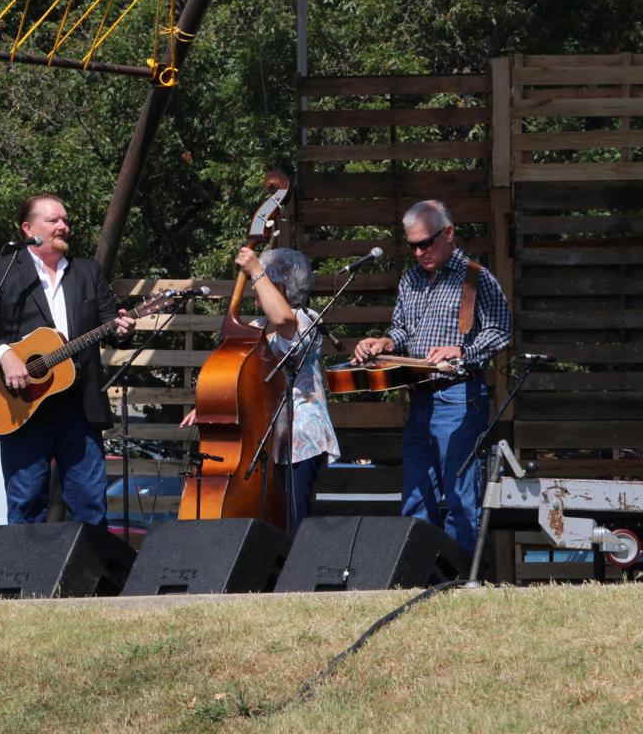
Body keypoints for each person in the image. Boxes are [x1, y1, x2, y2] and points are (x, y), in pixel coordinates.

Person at [0, 194, 136, 526]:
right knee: (26, 506)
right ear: (28, 229)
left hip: (79, 407)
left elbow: (111, 327)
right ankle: (25, 578)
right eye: (54, 220)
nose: (63, 226)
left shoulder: (87, 271)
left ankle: (85, 577)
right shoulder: (4, 269)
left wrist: (122, 329)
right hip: (22, 407)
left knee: (90, 505)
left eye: (65, 220)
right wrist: (5, 354)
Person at [353, 199, 511, 556]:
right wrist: (384, 341)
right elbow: (402, 331)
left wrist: (463, 351)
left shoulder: (475, 277)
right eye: (413, 245)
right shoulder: (409, 280)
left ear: (449, 234)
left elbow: (502, 329)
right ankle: (416, 576)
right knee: (415, 491)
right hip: (419, 396)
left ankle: (458, 582)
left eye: (426, 243)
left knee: (459, 493)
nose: (419, 251)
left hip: (458, 396)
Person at [181, 247, 340, 533]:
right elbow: (244, 378)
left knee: (291, 521)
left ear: (280, 284)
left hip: (298, 440)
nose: (256, 288)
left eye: (263, 280)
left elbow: (284, 322)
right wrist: (213, 404)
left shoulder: (305, 319)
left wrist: (256, 269)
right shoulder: (255, 326)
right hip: (263, 439)